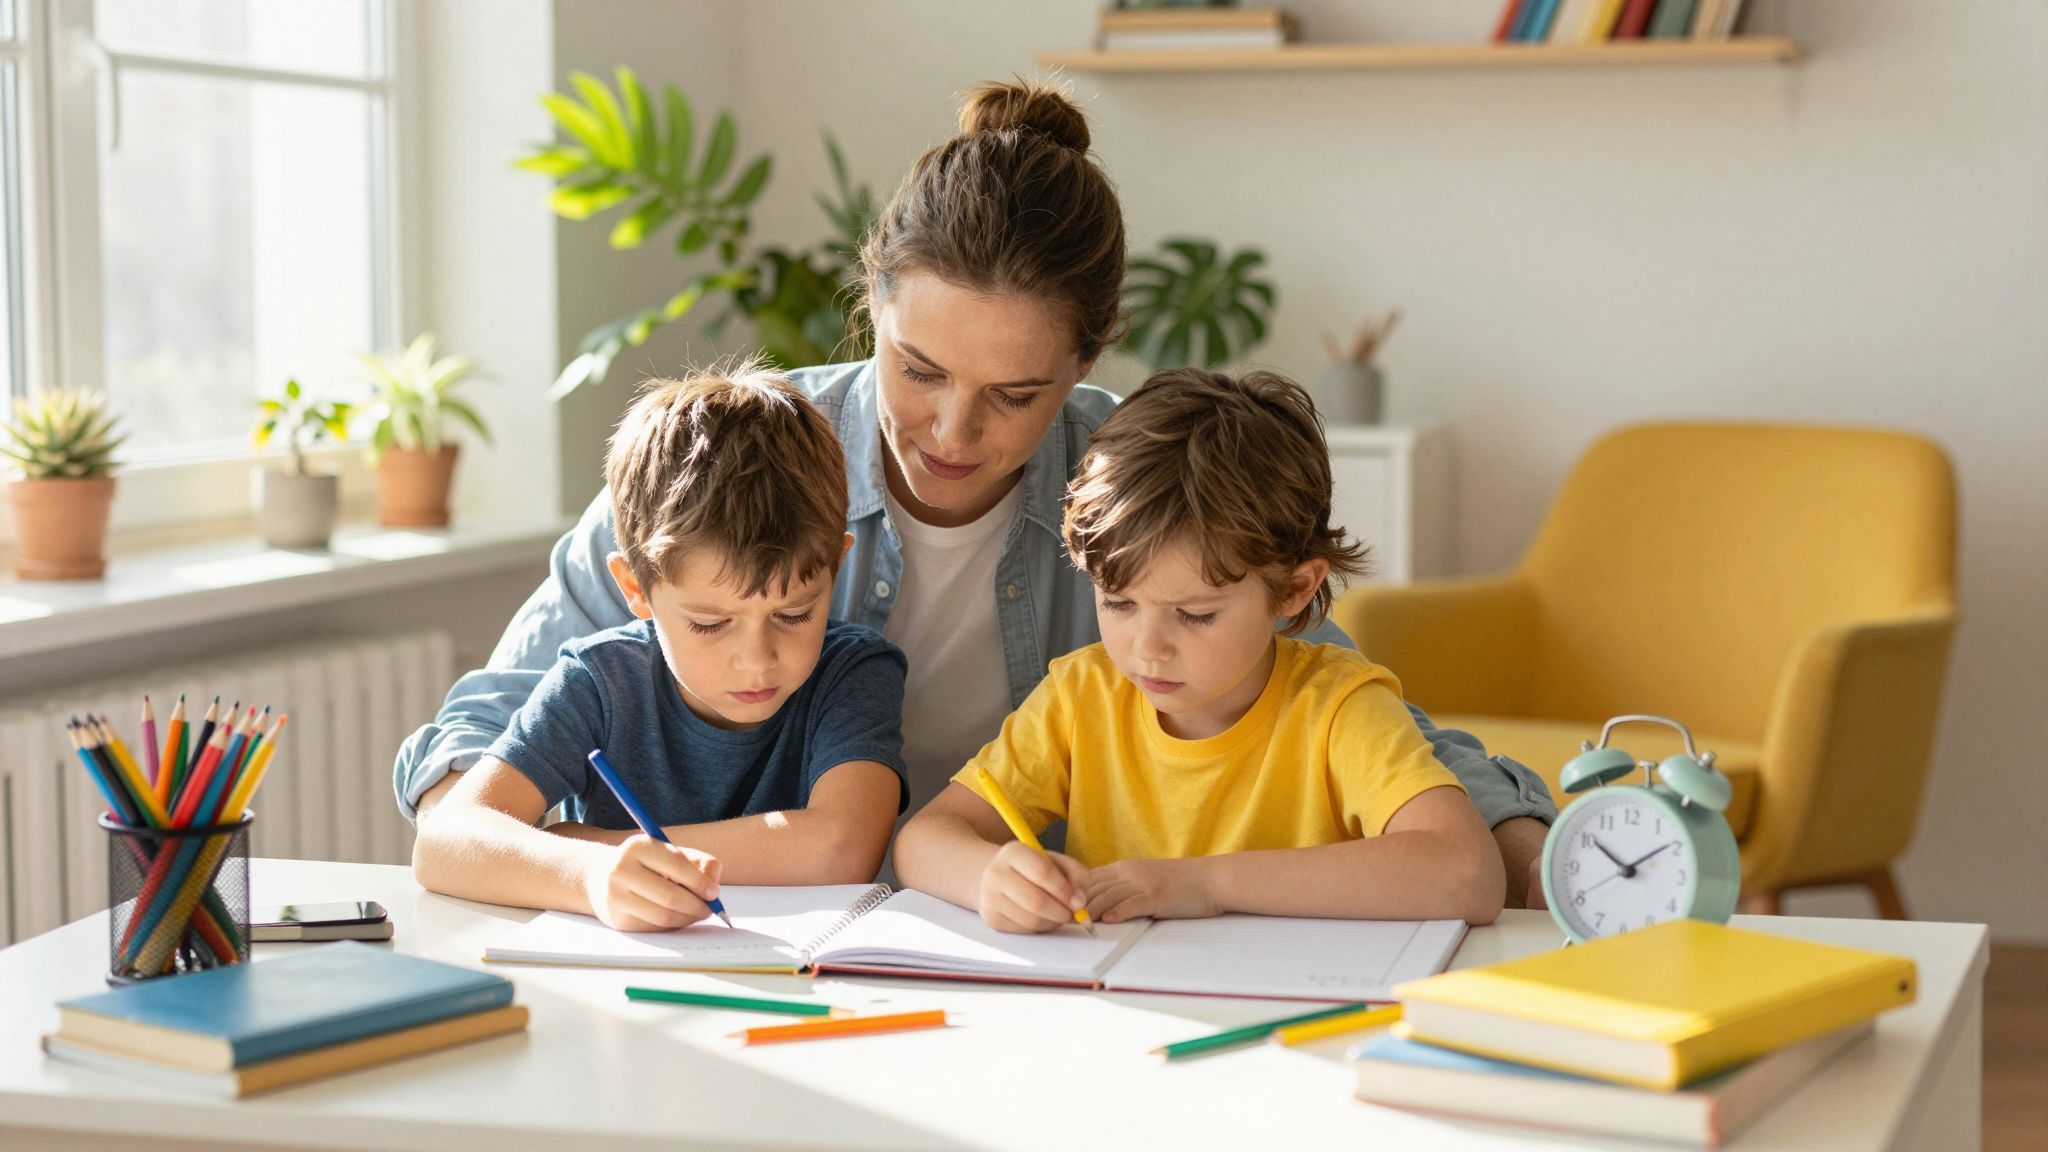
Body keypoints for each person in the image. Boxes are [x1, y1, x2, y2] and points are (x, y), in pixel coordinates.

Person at [397, 76, 1558, 903]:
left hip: (1028, 942)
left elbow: (1323, 695)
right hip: (744, 936)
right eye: (917, 369)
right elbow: (476, 741)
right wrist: (576, 862)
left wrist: (1525, 857)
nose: (952, 431)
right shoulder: (733, 465)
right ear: (875, 312)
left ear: (1084, 363)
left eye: (1014, 393)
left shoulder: (1128, 489)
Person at [894, 368, 1505, 929]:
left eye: (1195, 615)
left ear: (1293, 590)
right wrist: (987, 877)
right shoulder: (1082, 697)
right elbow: (924, 839)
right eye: (1118, 603)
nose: (1148, 649)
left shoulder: (1339, 708)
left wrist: (1207, 884)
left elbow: (1467, 874)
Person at [410, 365, 908, 930]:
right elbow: (446, 841)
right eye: (710, 623)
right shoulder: (597, 682)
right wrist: (592, 874)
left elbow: (840, 850)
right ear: (634, 588)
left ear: (837, 567)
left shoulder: (855, 673)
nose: (757, 658)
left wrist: (599, 844)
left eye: (794, 614)